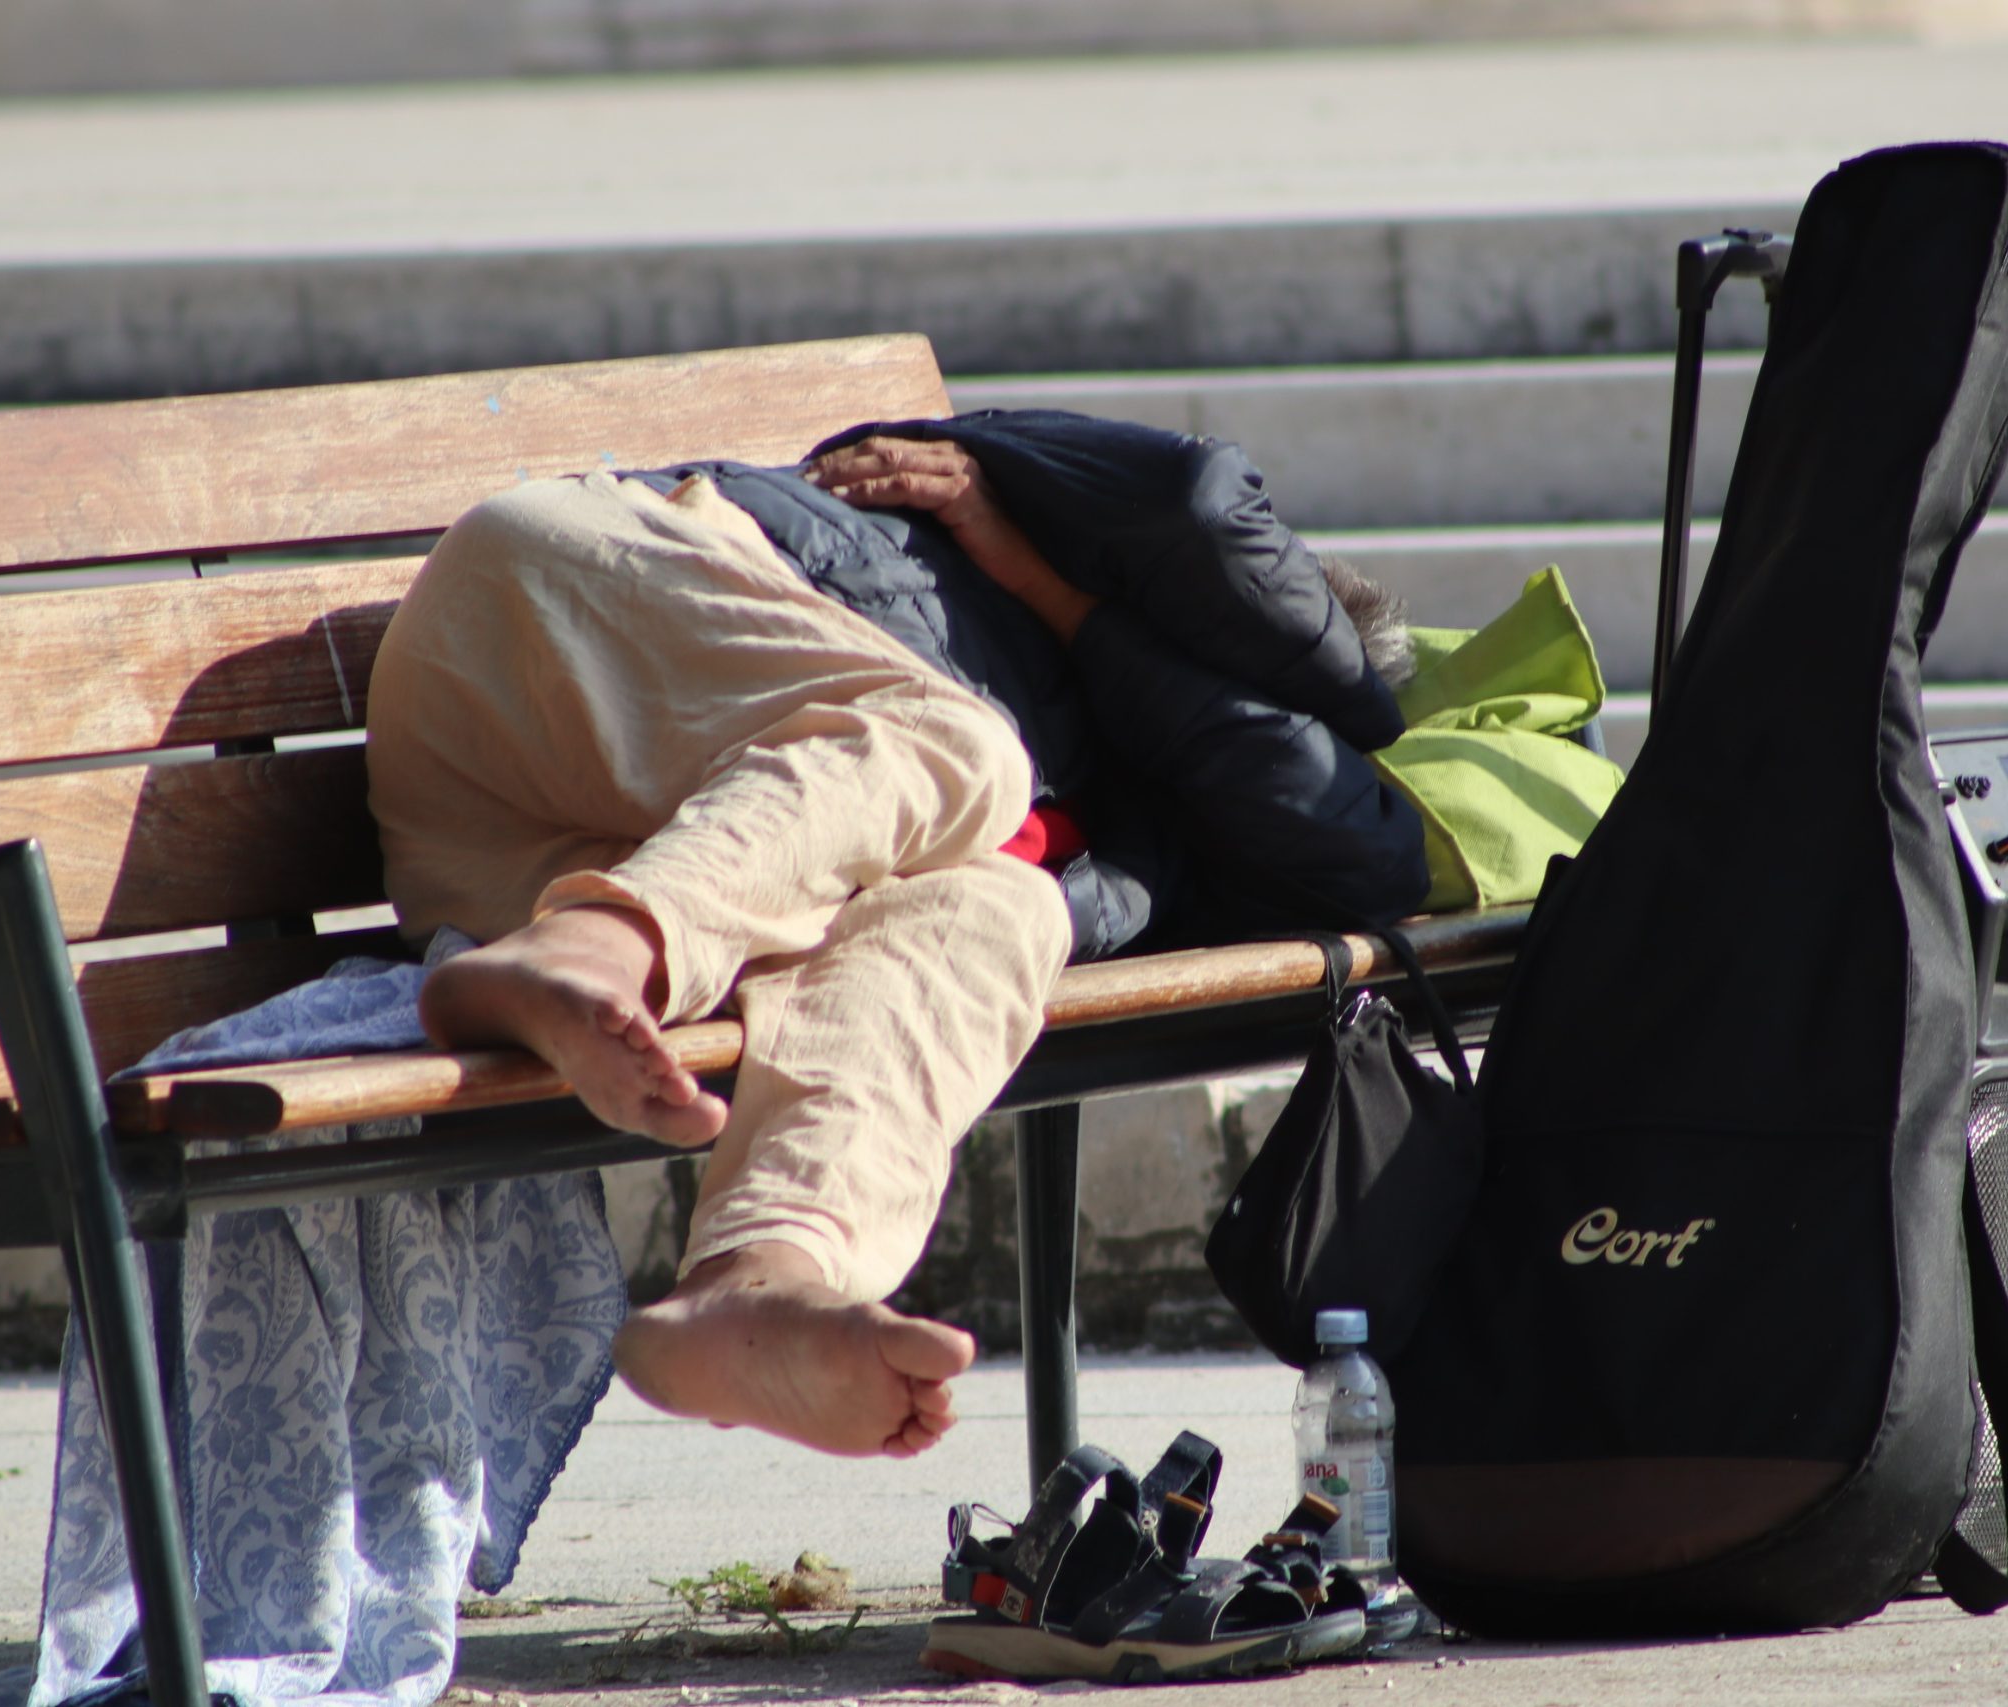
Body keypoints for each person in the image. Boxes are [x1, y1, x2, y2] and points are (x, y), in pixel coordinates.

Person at [364, 411, 1430, 1464]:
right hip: (544, 624)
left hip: (515, 867)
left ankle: (757, 1276)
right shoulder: (1006, 550)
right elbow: (1199, 510)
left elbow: (1358, 859)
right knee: (965, 745)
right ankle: (606, 941)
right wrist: (1063, 600)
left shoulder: (1129, 850)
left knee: (1005, 914)